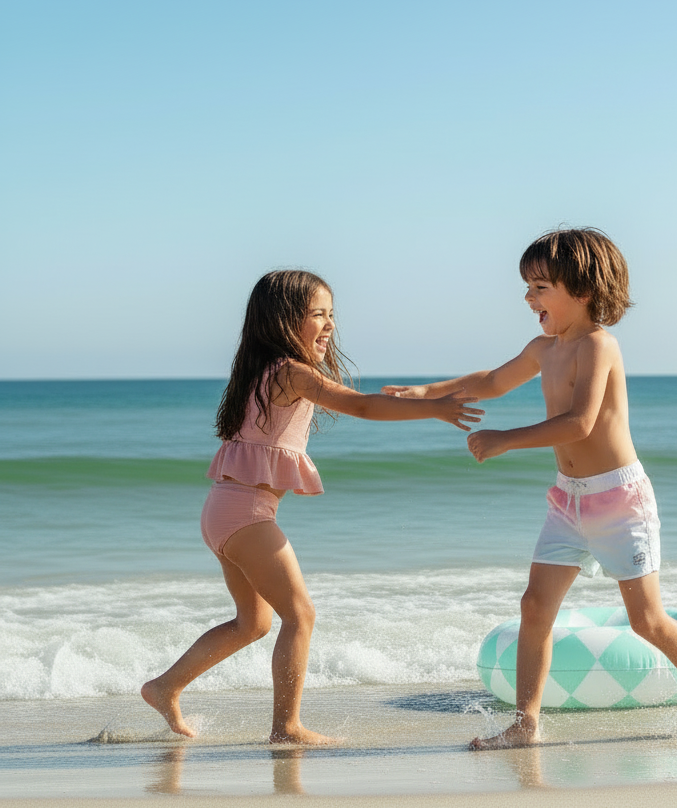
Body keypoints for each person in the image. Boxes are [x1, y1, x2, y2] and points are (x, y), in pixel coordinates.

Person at [383, 228, 677, 747]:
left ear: (583, 291)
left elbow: (580, 422)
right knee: (534, 605)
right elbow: (491, 381)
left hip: (619, 500)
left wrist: (505, 439)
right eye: (528, 287)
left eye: (541, 287)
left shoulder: (598, 345)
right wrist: (427, 392)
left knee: (647, 620)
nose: (529, 298)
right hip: (568, 500)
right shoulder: (543, 349)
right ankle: (526, 722)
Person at [142, 270, 482, 745]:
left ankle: (165, 687)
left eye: (331, 315)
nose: (330, 326)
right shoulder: (290, 372)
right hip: (245, 515)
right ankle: (287, 727)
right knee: (300, 616)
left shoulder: (261, 372)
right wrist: (434, 406)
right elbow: (361, 406)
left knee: (253, 622)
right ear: (284, 320)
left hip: (224, 510)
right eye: (318, 315)